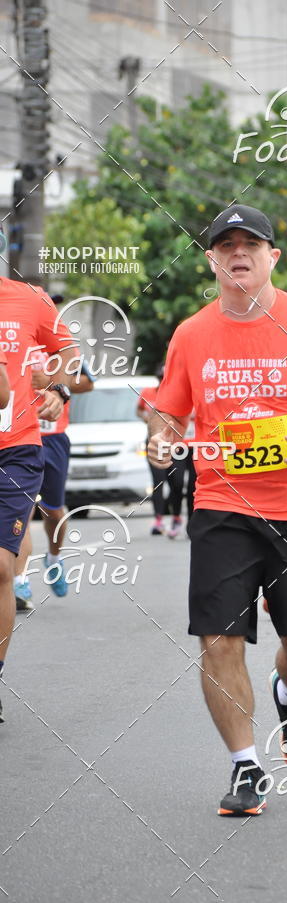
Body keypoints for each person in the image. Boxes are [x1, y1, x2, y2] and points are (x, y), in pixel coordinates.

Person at [147, 204, 287, 816]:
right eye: (225, 245)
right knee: (218, 639)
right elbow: (169, 408)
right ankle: (246, 765)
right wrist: (162, 436)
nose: (237, 253)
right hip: (223, 506)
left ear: (273, 256)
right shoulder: (192, 334)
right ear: (211, 259)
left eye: (251, 243)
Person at [0, 276, 77, 722]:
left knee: (1, 563)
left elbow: (70, 355)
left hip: (17, 446)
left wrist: (57, 388)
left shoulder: (30, 300)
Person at [13, 351, 95, 608]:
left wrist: (51, 382)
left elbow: (87, 381)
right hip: (21, 436)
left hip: (54, 438)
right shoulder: (15, 337)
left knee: (54, 512)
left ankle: (53, 557)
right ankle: (19, 581)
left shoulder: (59, 345)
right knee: (21, 512)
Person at [137, 368, 186, 538]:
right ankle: (158, 520)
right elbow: (139, 410)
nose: (162, 381)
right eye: (160, 378)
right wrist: (147, 419)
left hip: (177, 444)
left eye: (165, 378)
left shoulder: (179, 393)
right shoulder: (147, 393)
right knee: (158, 482)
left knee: (177, 483)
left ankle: (177, 516)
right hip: (155, 441)